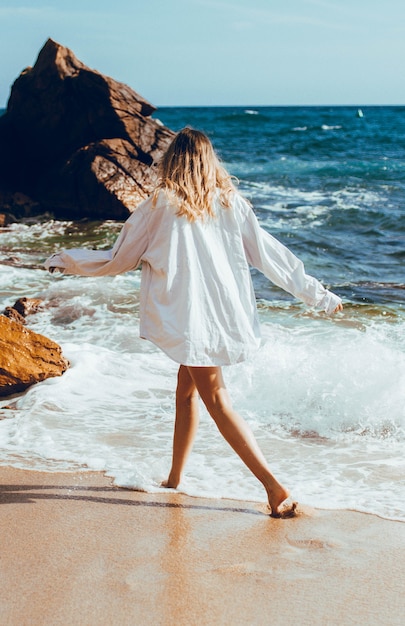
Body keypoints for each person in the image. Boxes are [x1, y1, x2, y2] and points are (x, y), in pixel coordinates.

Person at [45, 127, 343, 517]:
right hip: (221, 316)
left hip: (191, 320)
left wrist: (66, 260)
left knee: (216, 400)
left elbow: (120, 258)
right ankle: (175, 478)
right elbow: (272, 257)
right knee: (185, 393)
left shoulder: (160, 205)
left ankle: (273, 487)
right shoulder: (231, 203)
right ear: (209, 161)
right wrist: (316, 293)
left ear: (173, 161)